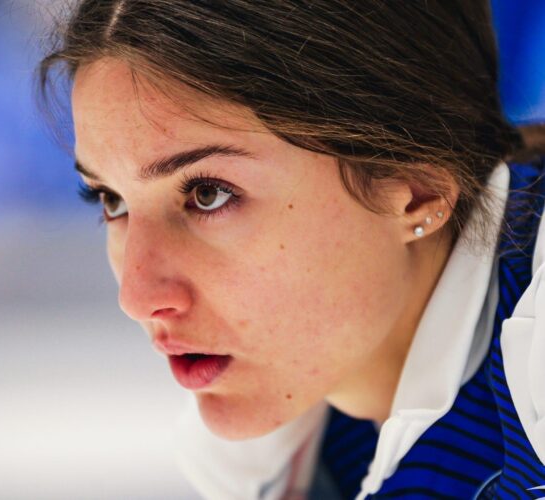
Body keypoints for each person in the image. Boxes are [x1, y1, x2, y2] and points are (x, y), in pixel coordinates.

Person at [37, 1, 545, 498]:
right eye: (111, 199)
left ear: (415, 187)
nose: (137, 296)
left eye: (208, 194)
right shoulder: (264, 453)